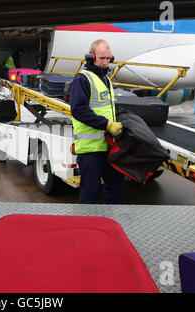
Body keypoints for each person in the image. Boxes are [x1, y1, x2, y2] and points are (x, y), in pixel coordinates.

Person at [69, 39, 125, 204]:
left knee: (115, 187)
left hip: (108, 146)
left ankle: (108, 223)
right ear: (90, 57)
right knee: (90, 194)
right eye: (101, 58)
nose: (105, 62)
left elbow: (108, 109)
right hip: (90, 151)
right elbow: (79, 110)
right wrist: (107, 125)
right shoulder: (82, 79)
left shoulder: (106, 80)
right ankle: (85, 227)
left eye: (108, 58)